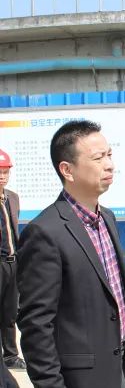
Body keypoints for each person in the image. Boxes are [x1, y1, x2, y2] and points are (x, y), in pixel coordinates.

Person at [17, 120, 125, 388]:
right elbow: (36, 326)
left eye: (109, 155)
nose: (109, 165)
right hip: (81, 378)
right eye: (98, 158)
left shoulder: (107, 218)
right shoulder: (45, 232)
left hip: (121, 366)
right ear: (67, 170)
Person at [0, 149, 26, 372]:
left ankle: (10, 356)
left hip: (12, 262)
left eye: (5, 172)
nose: (2, 176)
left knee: (10, 313)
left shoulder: (13, 198)